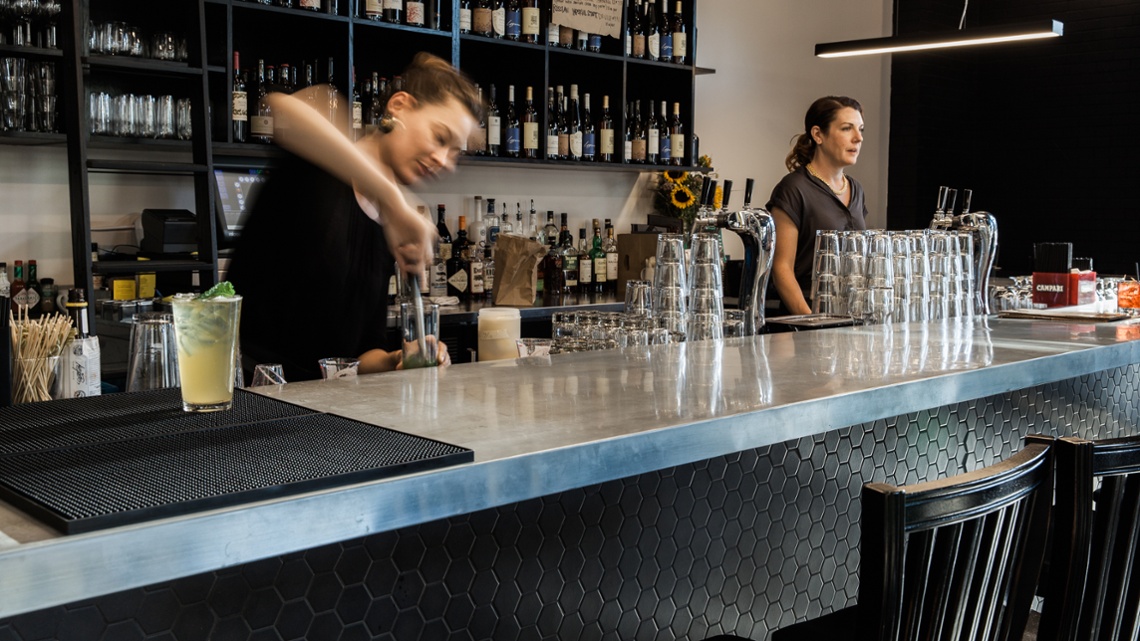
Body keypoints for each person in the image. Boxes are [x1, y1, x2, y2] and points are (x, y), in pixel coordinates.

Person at [227, 52, 480, 381]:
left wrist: (398, 359)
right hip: (249, 392)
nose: (445, 161)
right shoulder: (321, 164)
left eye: (455, 153)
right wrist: (393, 200)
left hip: (318, 403)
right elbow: (279, 107)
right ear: (399, 106)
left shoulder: (387, 227)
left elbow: (360, 353)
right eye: (440, 137)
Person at [766, 96, 868, 316]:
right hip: (806, 320)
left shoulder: (856, 189)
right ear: (818, 134)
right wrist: (813, 322)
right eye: (847, 128)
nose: (858, 138)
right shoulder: (794, 189)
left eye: (860, 129)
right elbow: (782, 269)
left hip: (848, 318)